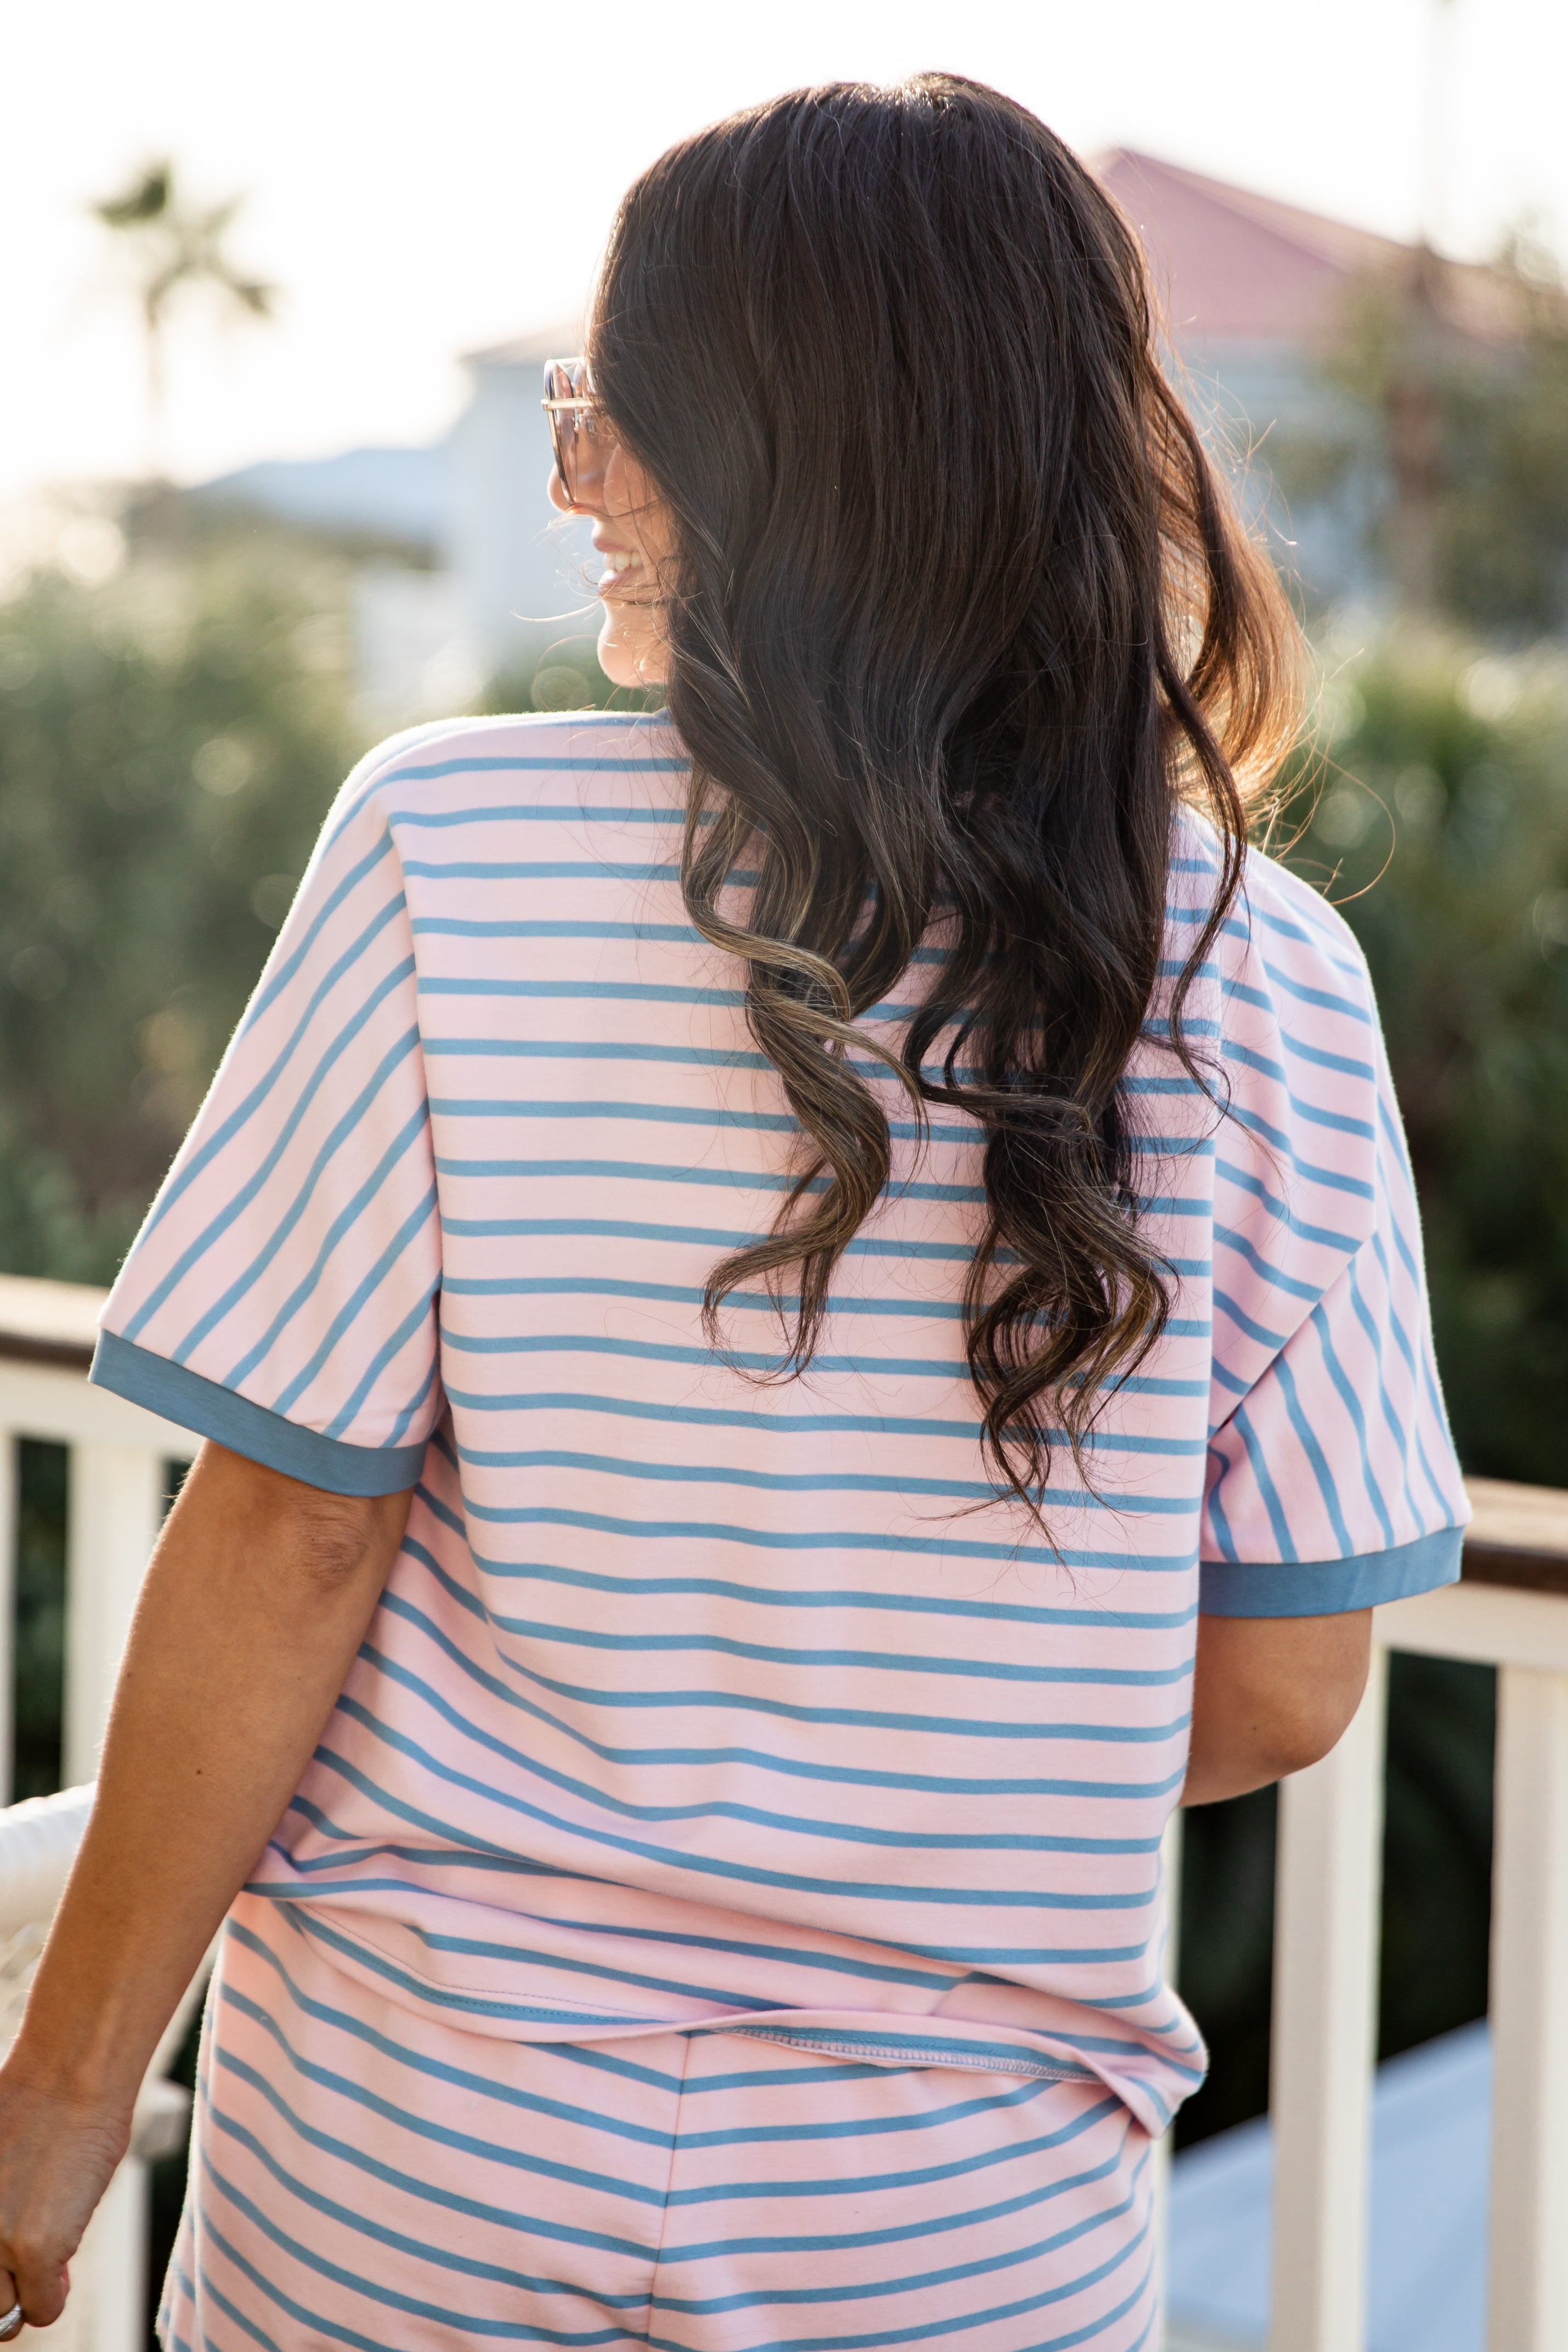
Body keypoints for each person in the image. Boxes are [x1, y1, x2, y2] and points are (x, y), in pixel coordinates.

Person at [0, 75, 1465, 2352]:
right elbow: (1285, 1677)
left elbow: (286, 1535)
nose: (580, 479)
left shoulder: (443, 851)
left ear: (776, 455)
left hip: (419, 2162)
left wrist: (64, 2099)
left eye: (616, 416)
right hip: (956, 2231)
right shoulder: (1269, 975)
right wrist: (931, 1729)